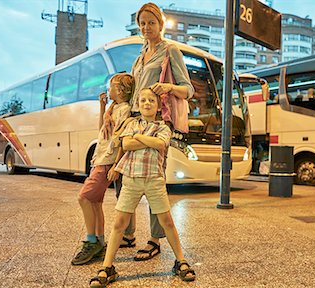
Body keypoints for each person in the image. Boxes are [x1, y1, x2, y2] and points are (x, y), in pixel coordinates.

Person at [103, 2, 194, 261]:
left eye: (151, 22)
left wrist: (167, 86)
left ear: (160, 24)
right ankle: (128, 234)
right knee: (125, 176)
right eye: (142, 23)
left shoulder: (170, 50)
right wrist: (112, 108)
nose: (146, 27)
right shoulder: (139, 57)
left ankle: (154, 240)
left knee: (154, 180)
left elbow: (188, 90)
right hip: (132, 120)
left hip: (157, 123)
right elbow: (130, 93)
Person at [89, 88, 196, 287]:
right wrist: (147, 141)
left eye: (151, 101)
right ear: (138, 104)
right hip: (131, 179)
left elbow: (161, 145)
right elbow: (126, 145)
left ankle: (180, 260)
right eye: (143, 100)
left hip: (154, 180)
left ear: (158, 106)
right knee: (119, 223)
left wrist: (138, 138)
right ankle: (107, 267)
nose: (147, 103)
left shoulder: (164, 127)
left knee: (167, 221)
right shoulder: (131, 123)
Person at [71, 73, 134, 266]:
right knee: (95, 202)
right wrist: (102, 108)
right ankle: (99, 241)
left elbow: (121, 137)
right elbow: (102, 131)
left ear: (121, 91)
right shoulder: (112, 109)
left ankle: (91, 241)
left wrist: (115, 164)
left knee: (84, 197)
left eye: (112, 86)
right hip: (100, 158)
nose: (109, 89)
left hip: (107, 159)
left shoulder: (124, 110)